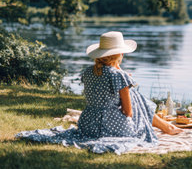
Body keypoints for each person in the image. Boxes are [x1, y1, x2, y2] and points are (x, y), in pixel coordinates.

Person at [16, 31, 181, 154]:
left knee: (132, 93)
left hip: (87, 124)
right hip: (111, 127)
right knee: (135, 96)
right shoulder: (119, 76)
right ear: (120, 54)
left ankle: (165, 126)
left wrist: (123, 77)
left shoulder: (88, 72)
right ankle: (165, 126)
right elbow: (128, 112)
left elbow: (106, 78)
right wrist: (127, 85)